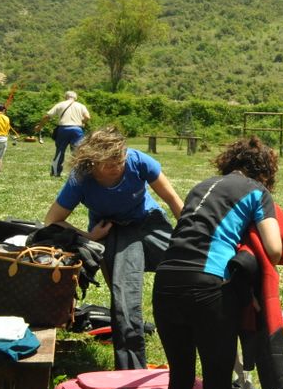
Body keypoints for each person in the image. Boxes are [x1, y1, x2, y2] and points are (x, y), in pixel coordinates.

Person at [152, 137, 283, 389]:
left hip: (165, 283)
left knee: (180, 379)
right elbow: (275, 249)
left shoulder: (201, 186)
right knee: (217, 386)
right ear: (265, 172)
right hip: (208, 287)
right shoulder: (257, 192)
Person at [43, 127, 182, 369]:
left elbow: (172, 199)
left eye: (120, 160)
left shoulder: (138, 161)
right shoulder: (81, 178)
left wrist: (191, 235)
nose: (117, 166)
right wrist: (89, 236)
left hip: (149, 221)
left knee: (189, 266)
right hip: (113, 230)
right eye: (109, 163)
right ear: (93, 161)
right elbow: (52, 220)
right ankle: (131, 370)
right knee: (124, 299)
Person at [35, 90, 91, 177]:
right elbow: (87, 117)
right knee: (77, 152)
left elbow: (47, 116)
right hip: (77, 129)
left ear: (65, 97)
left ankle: (55, 173)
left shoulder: (60, 104)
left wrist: (39, 126)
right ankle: (77, 174)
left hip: (63, 129)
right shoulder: (81, 106)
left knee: (60, 151)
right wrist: (82, 122)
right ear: (76, 98)